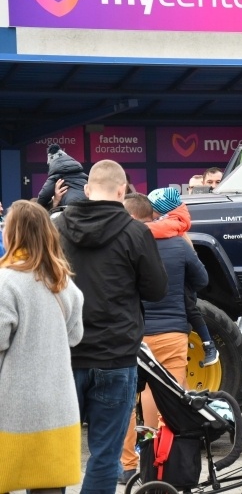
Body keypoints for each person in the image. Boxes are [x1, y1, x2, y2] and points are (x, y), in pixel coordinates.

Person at [53, 159, 168, 493]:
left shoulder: (56, 228)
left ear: (88, 190)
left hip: (64, 355)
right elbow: (157, 290)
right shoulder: (136, 232)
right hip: (116, 354)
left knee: (55, 452)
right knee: (105, 455)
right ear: (122, 191)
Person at [118, 193, 209, 484]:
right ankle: (162, 459)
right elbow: (203, 280)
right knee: (171, 396)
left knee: (130, 397)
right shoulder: (179, 243)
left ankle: (129, 465)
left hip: (135, 332)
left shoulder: (127, 244)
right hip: (172, 331)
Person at [0, 200, 85, 494]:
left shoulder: (5, 282)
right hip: (58, 408)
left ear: (12, 234)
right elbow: (74, 337)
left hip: (12, 409)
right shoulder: (64, 283)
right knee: (50, 486)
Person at [146, 187, 218, 366]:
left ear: (160, 210)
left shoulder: (165, 227)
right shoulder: (179, 228)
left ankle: (209, 343)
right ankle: (208, 344)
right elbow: (201, 279)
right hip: (176, 315)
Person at [37, 144, 88, 208]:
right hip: (88, 202)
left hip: (70, 205)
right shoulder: (81, 173)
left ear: (51, 163)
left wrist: (38, 206)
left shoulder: (55, 176)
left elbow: (44, 196)